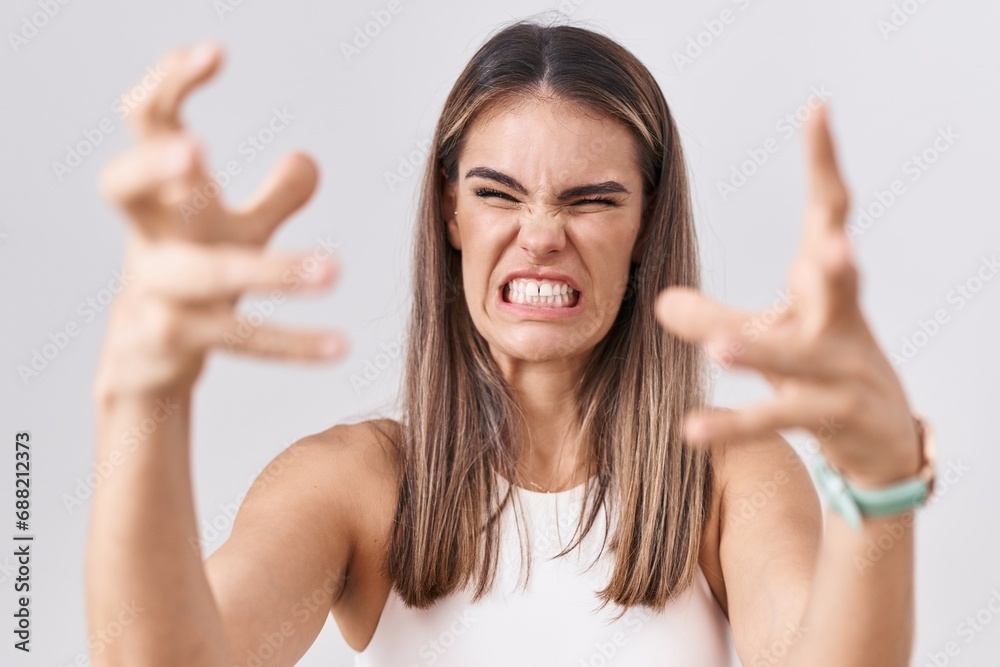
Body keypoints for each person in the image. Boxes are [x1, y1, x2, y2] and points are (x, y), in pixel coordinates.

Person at [86, 19, 935, 667]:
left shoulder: (727, 479)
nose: (540, 236)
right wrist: (139, 394)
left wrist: (878, 484)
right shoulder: (359, 482)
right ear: (450, 210)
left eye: (592, 200)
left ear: (645, 226)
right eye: (499, 193)